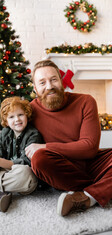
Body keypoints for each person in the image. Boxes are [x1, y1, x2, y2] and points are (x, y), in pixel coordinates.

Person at [25, 59, 112, 217]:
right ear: (35, 88)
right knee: (39, 159)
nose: (49, 86)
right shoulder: (30, 111)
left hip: (91, 164)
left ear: (61, 80)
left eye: (53, 80)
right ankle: (104, 186)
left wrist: (45, 146)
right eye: (42, 82)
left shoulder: (85, 101)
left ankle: (87, 197)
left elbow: (90, 148)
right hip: (61, 170)